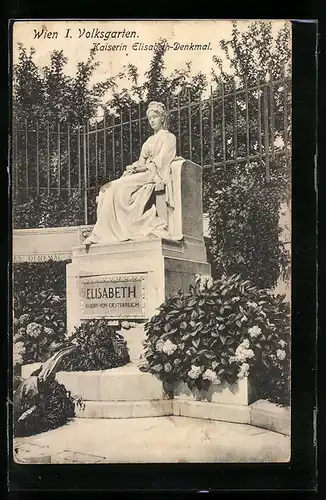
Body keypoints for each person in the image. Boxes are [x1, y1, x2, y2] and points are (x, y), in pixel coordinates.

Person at [84, 101, 176, 245]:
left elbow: (162, 161)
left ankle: (104, 234)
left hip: (152, 175)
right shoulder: (149, 140)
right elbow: (141, 161)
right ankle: (103, 233)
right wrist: (134, 167)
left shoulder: (169, 138)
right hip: (142, 173)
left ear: (162, 118)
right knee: (106, 189)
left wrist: (144, 168)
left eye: (155, 117)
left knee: (116, 189)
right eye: (150, 118)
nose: (152, 121)